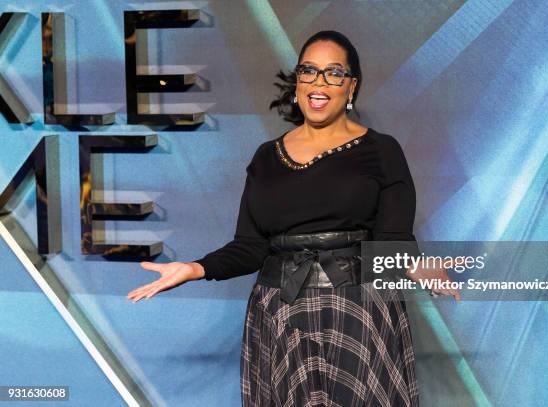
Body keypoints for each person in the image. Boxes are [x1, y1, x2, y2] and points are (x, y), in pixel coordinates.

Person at [127, 30, 460, 406]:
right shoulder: (266, 157)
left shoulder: (381, 150)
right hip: (279, 313)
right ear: (297, 82)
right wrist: (195, 268)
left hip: (358, 309)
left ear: (351, 86)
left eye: (334, 72)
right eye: (309, 71)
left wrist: (414, 265)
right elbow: (250, 247)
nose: (320, 82)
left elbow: (393, 239)